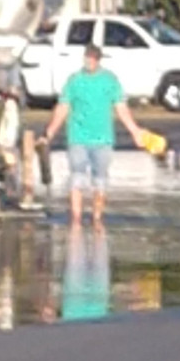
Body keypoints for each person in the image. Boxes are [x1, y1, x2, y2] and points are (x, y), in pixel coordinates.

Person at [40, 43, 145, 225]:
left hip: (103, 139)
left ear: (98, 60)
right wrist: (49, 133)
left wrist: (135, 131)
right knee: (77, 178)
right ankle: (76, 220)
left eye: (92, 58)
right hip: (77, 138)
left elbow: (121, 108)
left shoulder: (110, 80)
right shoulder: (74, 80)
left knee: (100, 180)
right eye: (87, 58)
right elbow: (63, 108)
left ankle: (97, 220)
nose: (89, 61)